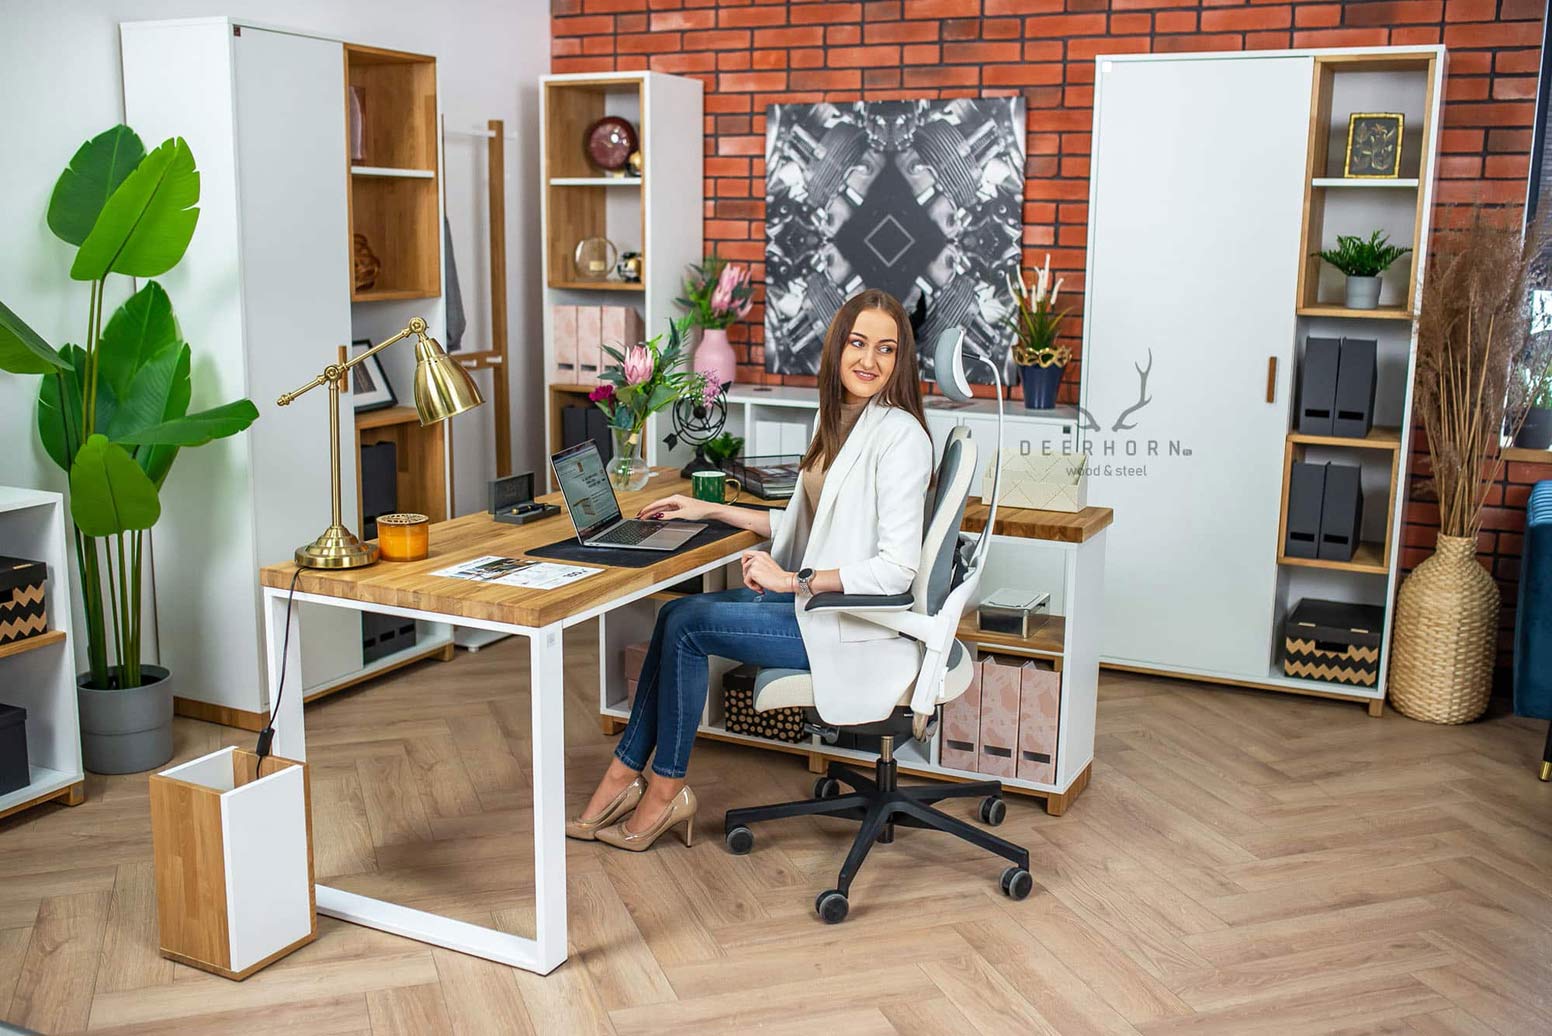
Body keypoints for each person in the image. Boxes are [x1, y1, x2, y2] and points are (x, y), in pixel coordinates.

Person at [568, 288, 935, 852]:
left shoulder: (901, 436)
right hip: (819, 610)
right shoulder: (841, 418)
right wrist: (706, 507)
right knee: (673, 618)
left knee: (686, 626)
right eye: (858, 343)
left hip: (853, 625)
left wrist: (794, 581)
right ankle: (624, 778)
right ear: (838, 347)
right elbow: (805, 519)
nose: (869, 360)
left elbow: (895, 572)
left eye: (886, 349)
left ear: (899, 360)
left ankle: (664, 790)